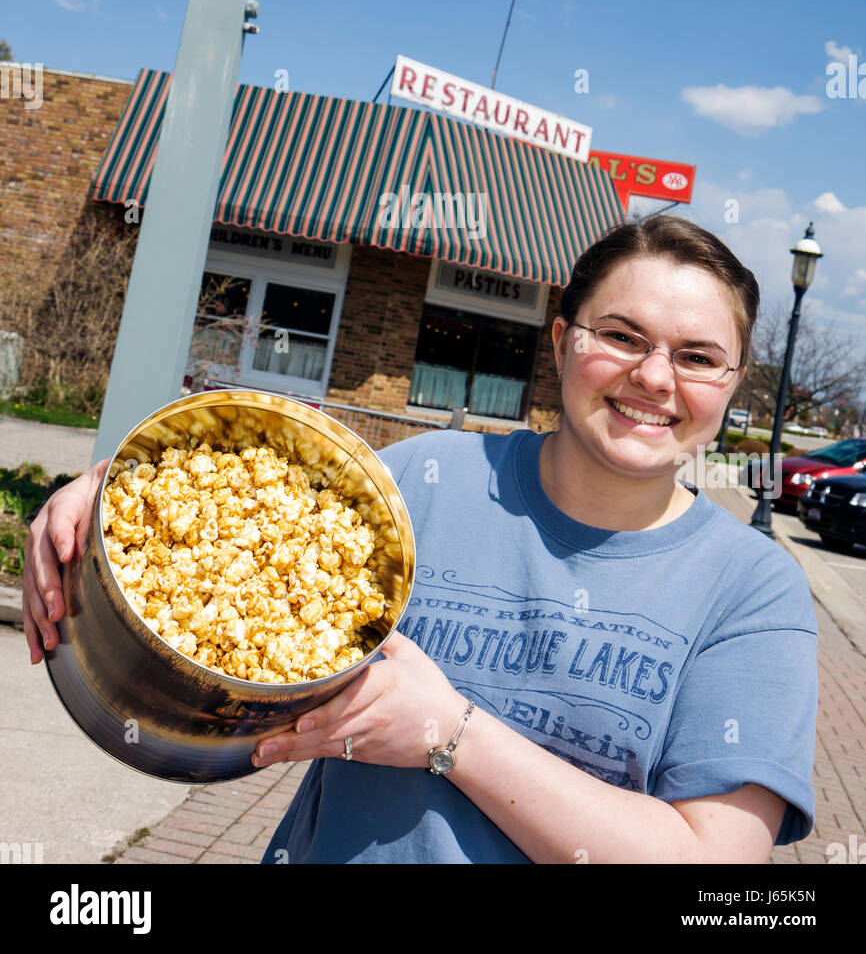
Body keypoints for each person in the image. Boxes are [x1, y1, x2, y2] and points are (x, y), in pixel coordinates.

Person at [23, 215, 818, 864]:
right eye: (621, 334)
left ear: (732, 387)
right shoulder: (425, 479)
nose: (653, 376)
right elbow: (234, 508)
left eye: (698, 357)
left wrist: (449, 735)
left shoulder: (752, 589)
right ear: (561, 341)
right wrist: (99, 500)